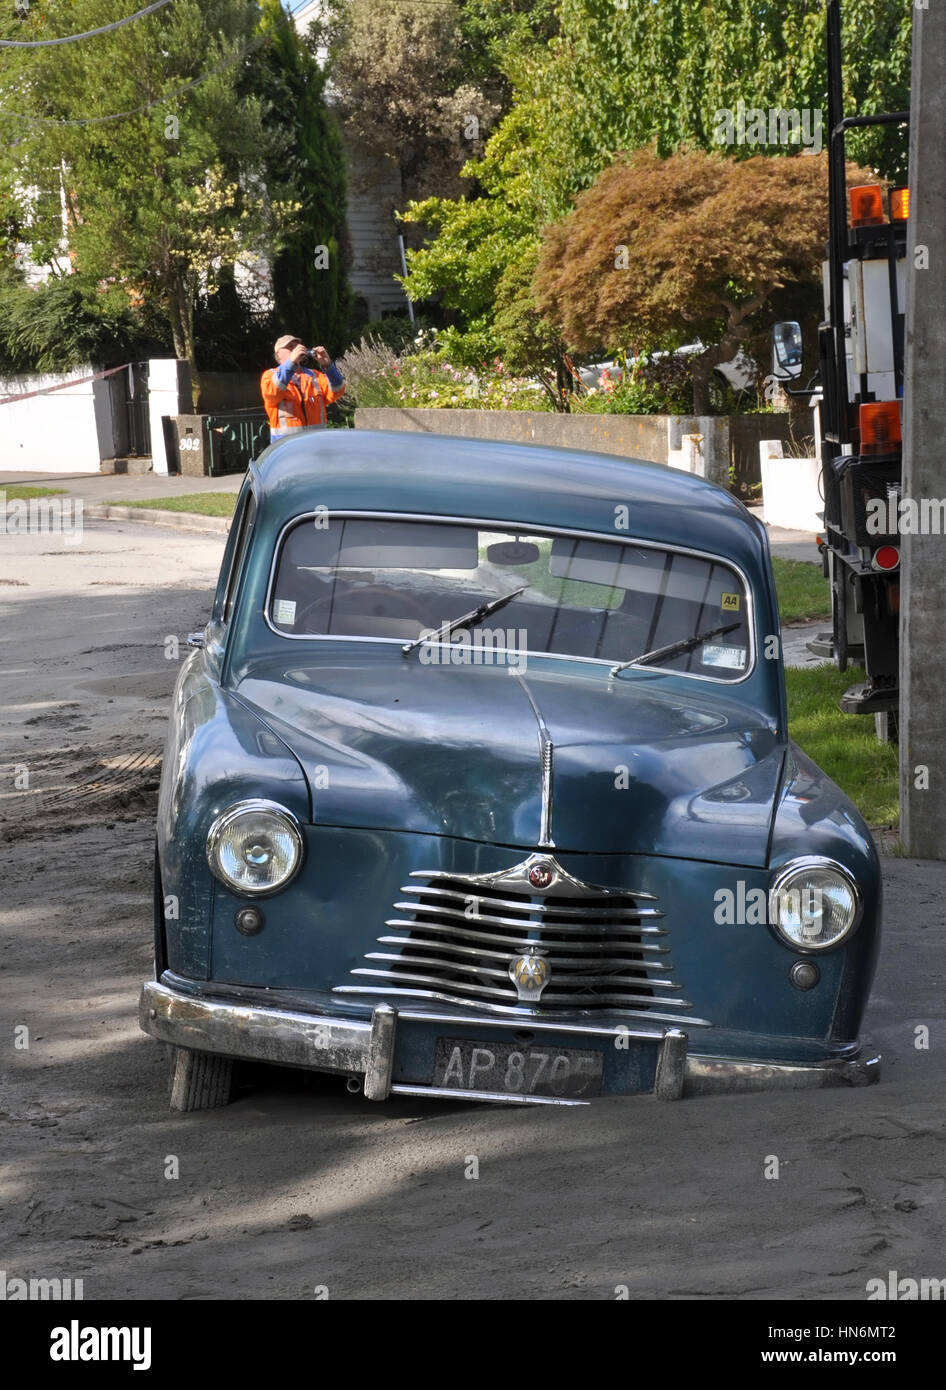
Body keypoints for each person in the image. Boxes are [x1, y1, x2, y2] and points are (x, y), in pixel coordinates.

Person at [260, 334, 345, 442]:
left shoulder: (315, 375)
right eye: (290, 347)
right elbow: (272, 394)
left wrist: (327, 366)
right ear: (278, 354)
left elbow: (338, 390)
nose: (296, 349)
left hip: (316, 444)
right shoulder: (270, 376)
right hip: (286, 446)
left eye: (297, 346)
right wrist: (291, 363)